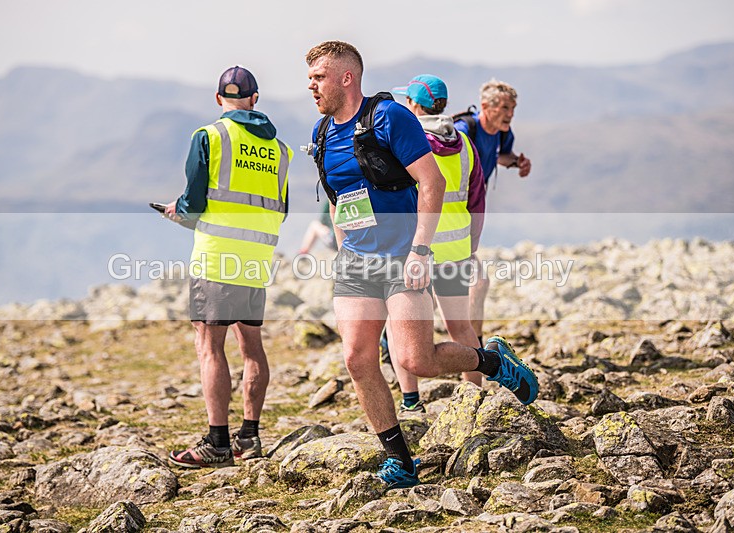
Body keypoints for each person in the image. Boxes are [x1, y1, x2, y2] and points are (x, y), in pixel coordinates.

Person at [306, 41, 538, 489]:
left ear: (346, 78)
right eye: (310, 78)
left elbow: (429, 182)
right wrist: (341, 256)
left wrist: (420, 250)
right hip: (356, 264)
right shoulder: (321, 133)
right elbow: (338, 204)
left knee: (417, 358)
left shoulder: (390, 118)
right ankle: (399, 459)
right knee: (357, 359)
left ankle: (492, 361)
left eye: (318, 77)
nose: (311, 86)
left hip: (401, 259)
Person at [165, 66, 292, 468]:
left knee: (209, 346)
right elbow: (281, 210)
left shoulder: (210, 136)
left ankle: (217, 443)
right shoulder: (281, 151)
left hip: (217, 256)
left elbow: (194, 203)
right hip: (256, 259)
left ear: (219, 99)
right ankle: (249, 437)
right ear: (255, 99)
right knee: (251, 346)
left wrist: (178, 212)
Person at [386, 74, 487, 413]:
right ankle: (474, 398)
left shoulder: (408, 143)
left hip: (415, 249)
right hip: (456, 248)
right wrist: (470, 248)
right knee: (461, 326)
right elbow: (477, 202)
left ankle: (411, 401)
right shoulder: (466, 144)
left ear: (414, 105)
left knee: (400, 325)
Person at [454, 80, 532, 351]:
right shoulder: (464, 131)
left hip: (469, 211)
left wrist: (516, 162)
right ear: (485, 107)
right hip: (452, 214)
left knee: (466, 279)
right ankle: (474, 348)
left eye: (513, 108)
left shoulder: (501, 133)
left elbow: (501, 154)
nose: (510, 114)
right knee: (477, 280)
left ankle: (472, 346)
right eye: (505, 108)